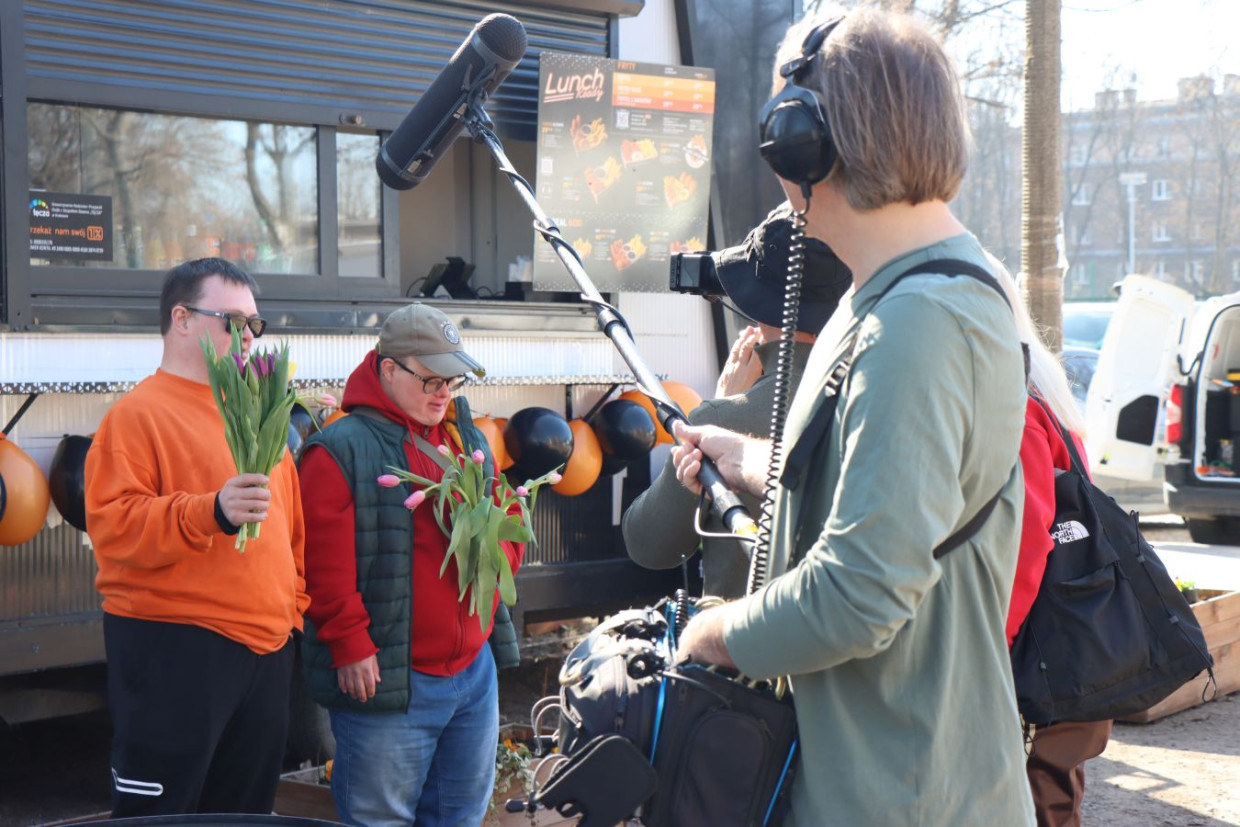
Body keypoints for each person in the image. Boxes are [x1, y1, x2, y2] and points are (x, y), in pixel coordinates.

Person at [669, 9, 1035, 824]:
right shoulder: (889, 296)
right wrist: (742, 454)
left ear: (807, 144)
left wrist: (711, 634)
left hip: (904, 795)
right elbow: (874, 489)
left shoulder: (918, 322)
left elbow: (859, 592)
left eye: (780, 130)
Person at [84, 257, 307, 816]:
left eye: (255, 323)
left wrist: (293, 615)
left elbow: (291, 534)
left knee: (245, 814)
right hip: (176, 645)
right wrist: (211, 512)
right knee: (164, 816)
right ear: (181, 319)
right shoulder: (137, 415)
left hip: (266, 651)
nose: (249, 336)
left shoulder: (259, 414)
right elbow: (115, 528)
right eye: (233, 321)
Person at [298, 302, 524, 826]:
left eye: (452, 380)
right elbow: (322, 566)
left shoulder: (465, 437)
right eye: (431, 380)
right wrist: (350, 644)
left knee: (458, 820)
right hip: (389, 682)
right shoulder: (339, 449)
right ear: (388, 369)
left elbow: (508, 519)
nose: (443, 393)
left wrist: (496, 566)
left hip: (473, 673)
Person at [623, 202, 851, 597]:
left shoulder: (723, 418)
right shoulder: (879, 394)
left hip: (741, 633)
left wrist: (717, 411)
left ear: (758, 305)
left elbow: (648, 546)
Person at [997, 265, 1112, 827]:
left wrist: (992, 646)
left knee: (1041, 802)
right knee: (1058, 797)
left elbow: (1028, 542)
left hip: (1035, 647)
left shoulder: (1017, 408)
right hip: (1074, 637)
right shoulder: (1048, 393)